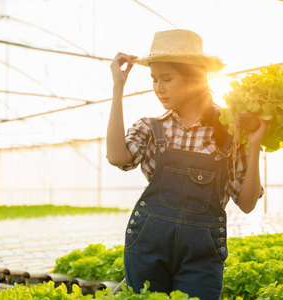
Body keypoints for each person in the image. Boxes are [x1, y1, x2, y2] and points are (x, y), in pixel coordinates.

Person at [106, 29, 267, 300]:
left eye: (167, 79)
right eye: (155, 80)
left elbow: (247, 202)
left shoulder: (230, 130)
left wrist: (253, 145)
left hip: (201, 256)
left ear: (193, 78)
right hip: (148, 247)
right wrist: (118, 86)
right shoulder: (151, 127)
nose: (159, 88)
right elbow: (117, 157)